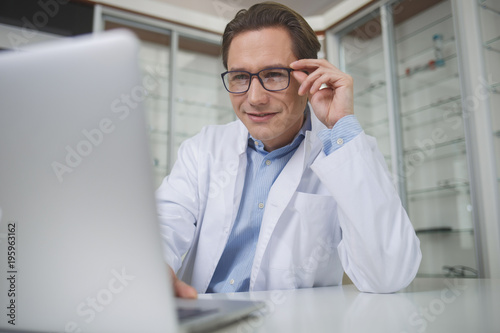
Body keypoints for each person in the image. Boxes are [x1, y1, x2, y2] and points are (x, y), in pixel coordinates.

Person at [156, 1, 421, 298]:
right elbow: (163, 225)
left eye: (273, 75)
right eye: (241, 77)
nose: (254, 98)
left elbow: (389, 275)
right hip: (206, 321)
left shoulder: (344, 152)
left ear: (308, 75)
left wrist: (341, 125)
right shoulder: (202, 149)